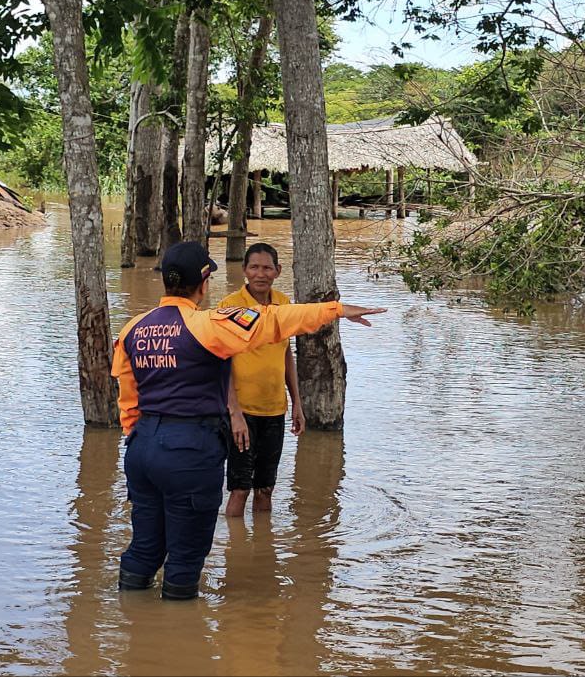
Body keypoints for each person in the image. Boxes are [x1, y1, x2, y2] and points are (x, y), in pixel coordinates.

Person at [111, 240, 384, 600]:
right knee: (186, 556)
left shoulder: (133, 328)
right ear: (203, 284)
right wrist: (335, 309)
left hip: (141, 448)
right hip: (188, 450)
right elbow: (274, 320)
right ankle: (179, 635)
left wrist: (139, 437)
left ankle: (133, 625)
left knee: (144, 545)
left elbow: (127, 398)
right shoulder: (209, 325)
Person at [219, 243, 299, 518]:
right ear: (244, 271)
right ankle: (236, 551)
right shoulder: (230, 306)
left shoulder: (284, 305)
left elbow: (286, 353)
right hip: (243, 411)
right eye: (254, 267)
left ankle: (264, 552)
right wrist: (235, 413)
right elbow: (222, 361)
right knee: (239, 488)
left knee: (265, 488)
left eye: (267, 268)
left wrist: (297, 403)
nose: (260, 274)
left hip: (275, 409)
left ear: (277, 271)